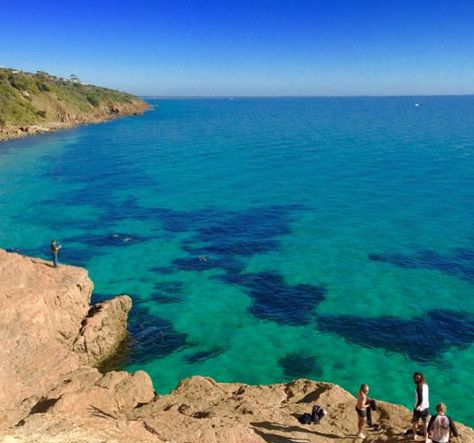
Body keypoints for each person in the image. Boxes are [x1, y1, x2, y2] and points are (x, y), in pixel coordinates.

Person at [411, 372, 430, 441]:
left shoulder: (418, 387)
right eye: (415, 377)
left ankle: (414, 436)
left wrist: (417, 406)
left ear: (421, 378)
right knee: (426, 424)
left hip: (419, 408)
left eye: (417, 378)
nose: (416, 379)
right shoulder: (426, 385)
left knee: (415, 422)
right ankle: (426, 439)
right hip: (426, 407)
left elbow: (420, 399)